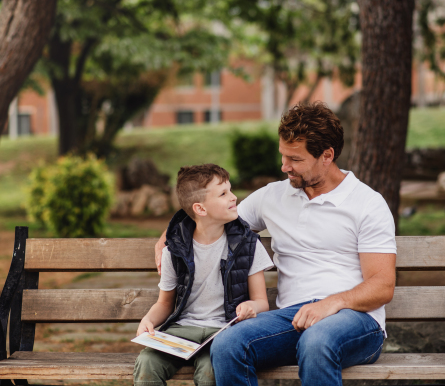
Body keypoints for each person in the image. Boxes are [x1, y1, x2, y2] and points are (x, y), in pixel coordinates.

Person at [154, 102, 397, 386]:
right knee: (228, 344)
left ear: (327, 156)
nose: (284, 167)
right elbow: (211, 218)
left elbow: (382, 285)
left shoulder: (367, 203)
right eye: (283, 156)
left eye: (295, 159)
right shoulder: (272, 196)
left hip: (355, 320)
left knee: (317, 341)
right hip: (290, 319)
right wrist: (169, 234)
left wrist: (331, 304)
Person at [134, 164, 274, 386]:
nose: (234, 197)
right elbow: (165, 303)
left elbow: (261, 302)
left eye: (230, 189)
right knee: (147, 364)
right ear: (200, 209)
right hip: (182, 332)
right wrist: (148, 320)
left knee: (211, 372)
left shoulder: (248, 244)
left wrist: (252, 307)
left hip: (222, 333)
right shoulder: (174, 250)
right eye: (223, 193)